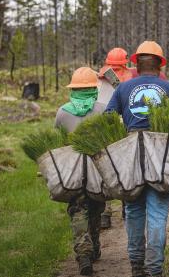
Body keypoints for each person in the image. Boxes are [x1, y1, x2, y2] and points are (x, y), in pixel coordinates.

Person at [106, 41, 169, 277]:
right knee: (158, 213)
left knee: (134, 211)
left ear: (136, 65)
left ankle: (137, 265)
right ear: (160, 65)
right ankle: (154, 268)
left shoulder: (123, 89)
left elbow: (108, 119)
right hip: (162, 157)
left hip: (131, 157)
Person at [54, 67, 107, 276]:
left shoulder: (62, 112)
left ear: (73, 89)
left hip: (72, 170)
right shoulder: (103, 109)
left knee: (77, 208)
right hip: (97, 171)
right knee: (96, 206)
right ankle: (93, 245)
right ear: (95, 89)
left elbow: (57, 142)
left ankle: (83, 253)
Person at [97, 47, 133, 229]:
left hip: (104, 126)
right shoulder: (129, 79)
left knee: (104, 167)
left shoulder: (98, 80)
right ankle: (127, 206)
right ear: (125, 63)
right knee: (125, 166)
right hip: (124, 126)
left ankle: (105, 212)